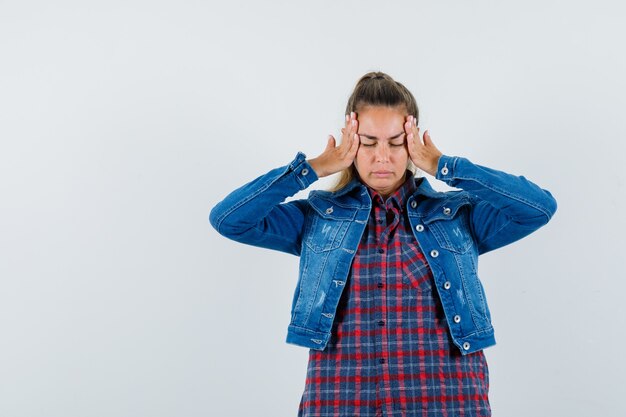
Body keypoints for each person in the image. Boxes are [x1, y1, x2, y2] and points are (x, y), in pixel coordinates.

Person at [209, 71, 557, 417]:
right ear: (350, 142)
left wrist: (444, 166)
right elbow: (229, 219)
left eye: (396, 142)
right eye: (368, 141)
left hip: (446, 397)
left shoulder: (457, 216)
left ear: (414, 144)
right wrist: (314, 168)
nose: (382, 156)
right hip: (341, 398)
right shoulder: (317, 217)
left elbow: (538, 208)